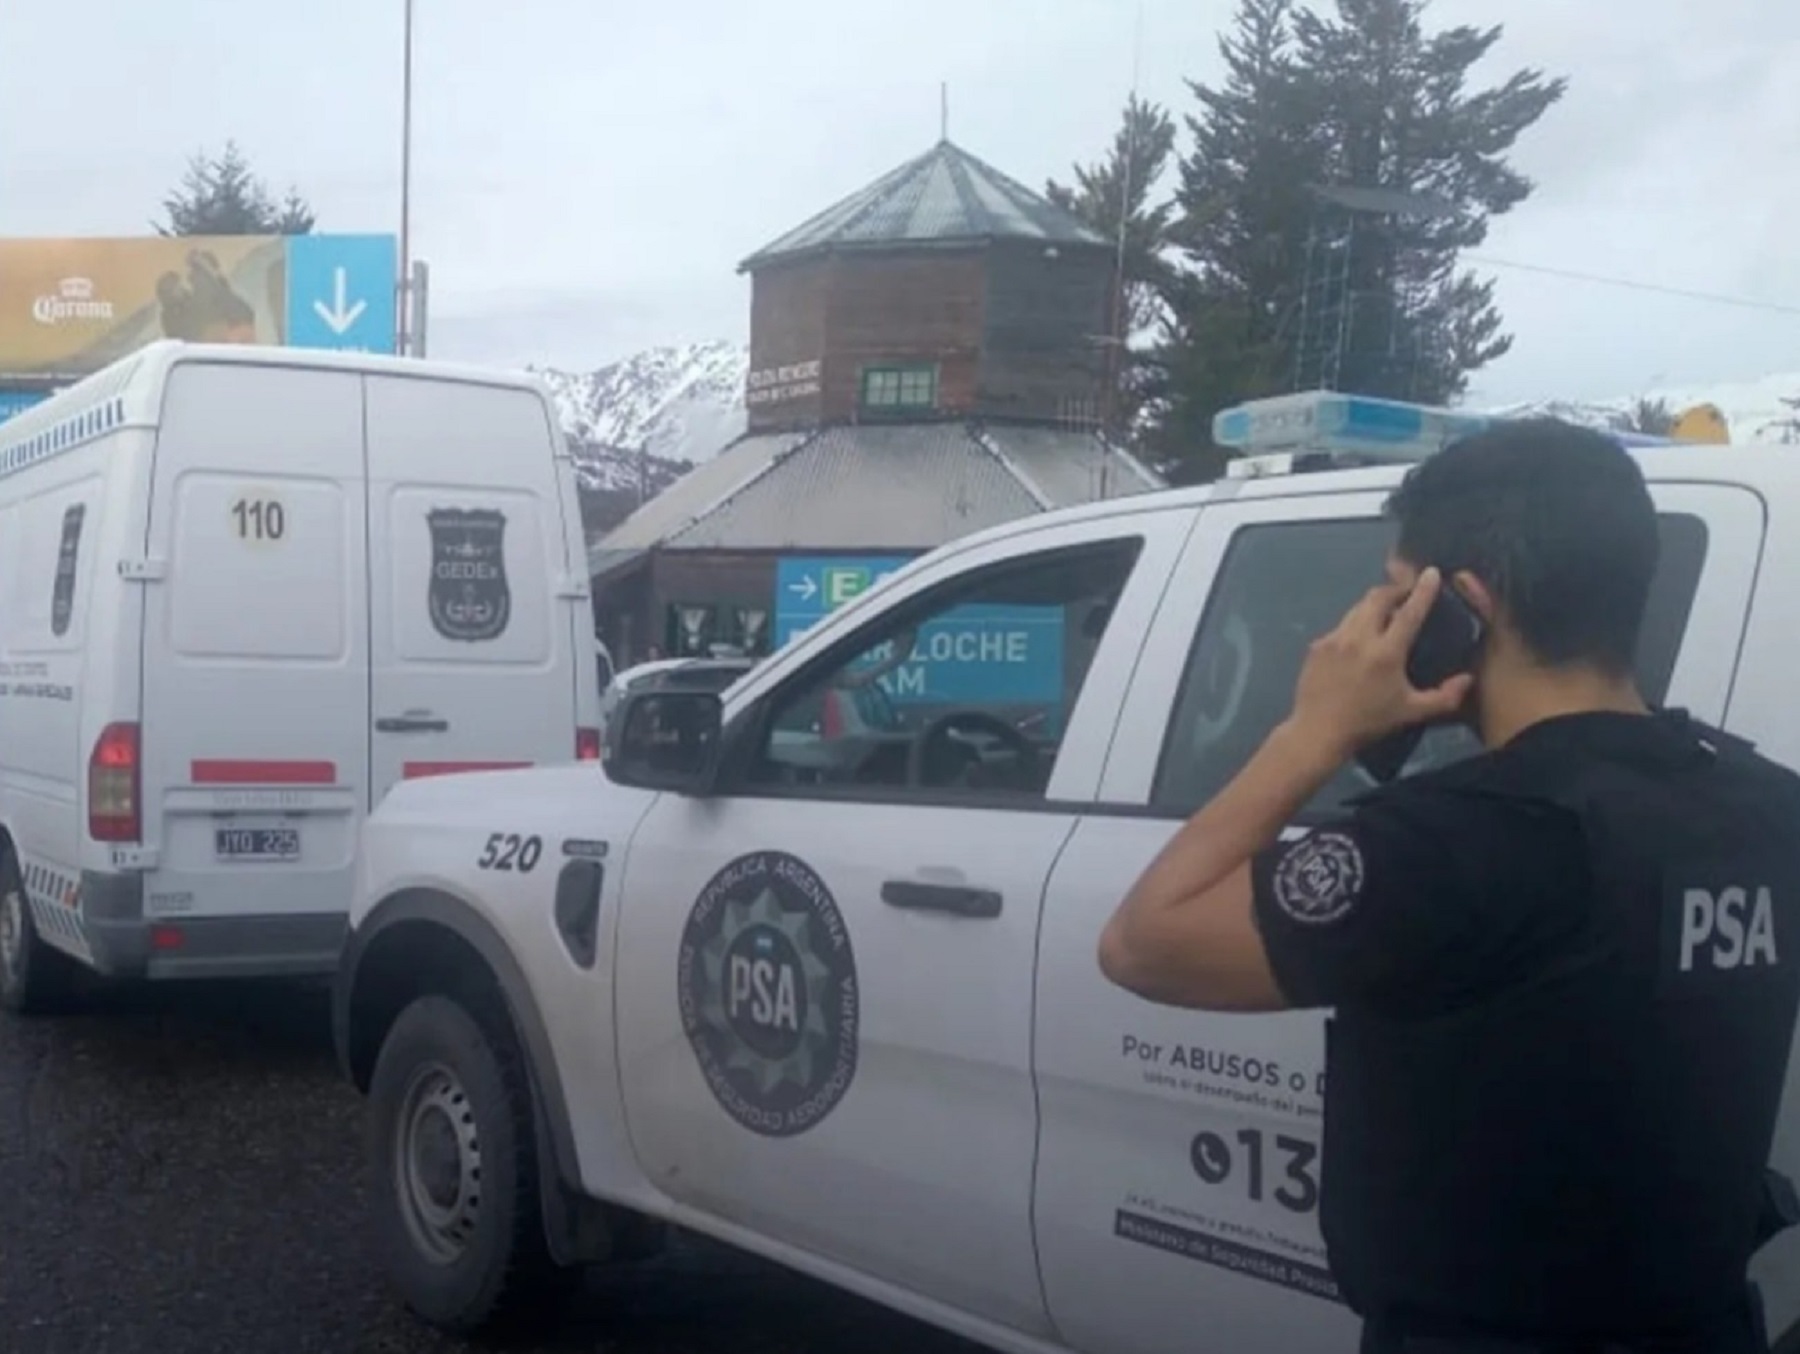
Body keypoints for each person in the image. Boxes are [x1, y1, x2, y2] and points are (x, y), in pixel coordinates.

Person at [1098, 419, 1800, 1353]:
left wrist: (1315, 733)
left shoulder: (1456, 837)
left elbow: (1143, 942)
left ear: (1467, 607)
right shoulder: (1769, 805)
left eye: (1397, 602)